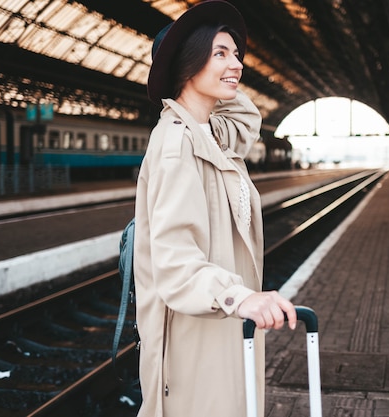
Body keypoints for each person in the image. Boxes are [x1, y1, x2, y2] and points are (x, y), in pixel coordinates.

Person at [133, 1, 297, 416]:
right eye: (220, 53)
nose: (237, 64)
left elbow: (246, 121)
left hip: (221, 323)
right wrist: (238, 298)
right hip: (196, 333)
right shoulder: (176, 142)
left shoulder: (210, 130)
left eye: (237, 53)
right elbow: (174, 259)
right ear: (188, 64)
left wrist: (214, 79)